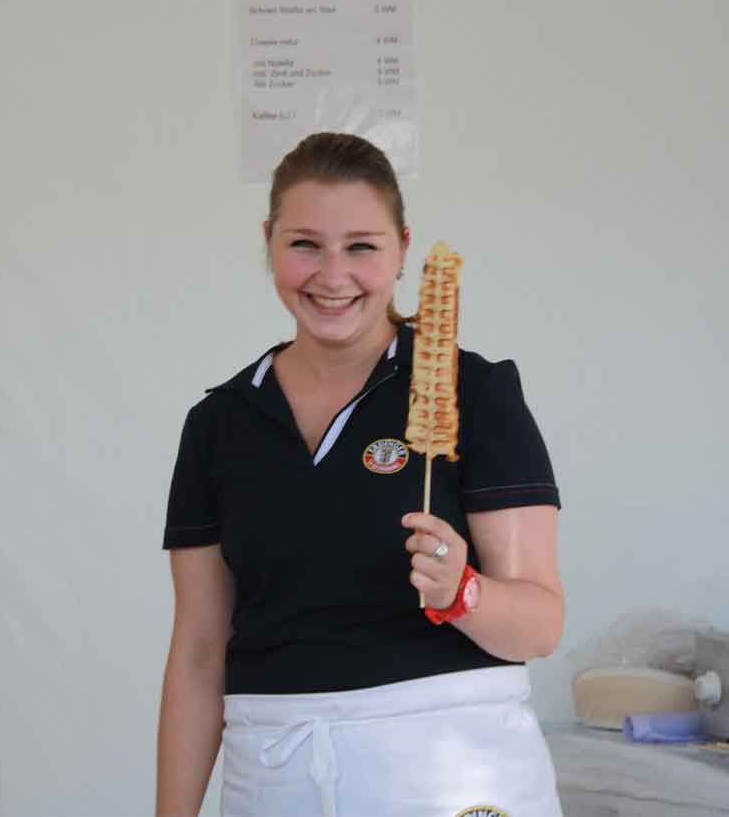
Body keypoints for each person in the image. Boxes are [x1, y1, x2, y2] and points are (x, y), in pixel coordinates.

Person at [156, 132, 565, 817]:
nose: (333, 275)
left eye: (362, 247)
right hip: (275, 772)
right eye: (305, 244)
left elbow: (539, 626)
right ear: (269, 241)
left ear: (403, 247)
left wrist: (463, 591)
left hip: (451, 770)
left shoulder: (477, 394)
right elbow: (199, 651)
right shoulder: (220, 423)